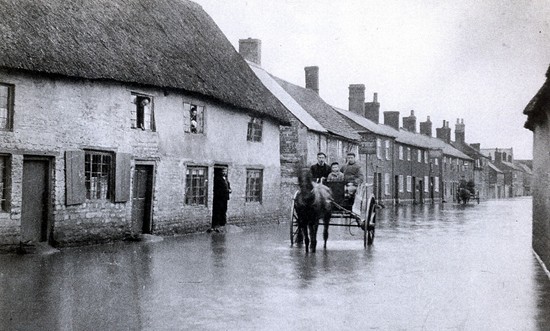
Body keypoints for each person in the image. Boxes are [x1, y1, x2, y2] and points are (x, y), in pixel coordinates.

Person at [209, 167, 231, 233]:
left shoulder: (226, 180)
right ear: (221, 172)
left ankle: (223, 223)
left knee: (224, 210)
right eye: (223, 171)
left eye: (225, 171)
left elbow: (228, 186)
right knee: (219, 210)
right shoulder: (218, 179)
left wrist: (229, 190)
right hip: (219, 198)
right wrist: (225, 191)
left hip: (225, 198)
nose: (224, 173)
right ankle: (217, 224)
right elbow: (218, 189)